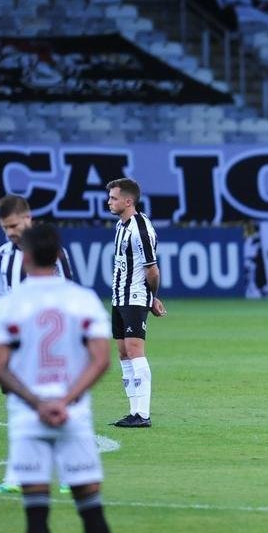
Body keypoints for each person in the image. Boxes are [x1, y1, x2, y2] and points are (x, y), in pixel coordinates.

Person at [0, 223, 140, 533]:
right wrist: (65, 400)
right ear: (59, 255)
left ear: (25, 256)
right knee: (91, 507)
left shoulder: (7, 304)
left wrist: (38, 402)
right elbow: (101, 359)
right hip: (73, 416)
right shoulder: (82, 299)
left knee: (36, 510)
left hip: (27, 416)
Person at [0, 193, 75, 496]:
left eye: (13, 225)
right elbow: (0, 301)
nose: (10, 232)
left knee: (58, 408)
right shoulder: (0, 257)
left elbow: (69, 298)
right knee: (18, 410)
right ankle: (15, 476)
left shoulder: (53, 253)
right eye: (4, 227)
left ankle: (67, 473)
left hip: (51, 349)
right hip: (18, 349)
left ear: (28, 218)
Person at [106, 178, 166, 428]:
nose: (109, 202)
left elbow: (152, 270)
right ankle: (133, 411)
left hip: (135, 297)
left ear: (128, 201)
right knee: (122, 352)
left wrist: (151, 298)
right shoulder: (122, 226)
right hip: (119, 296)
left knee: (134, 350)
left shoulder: (140, 229)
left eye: (114, 198)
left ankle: (143, 414)